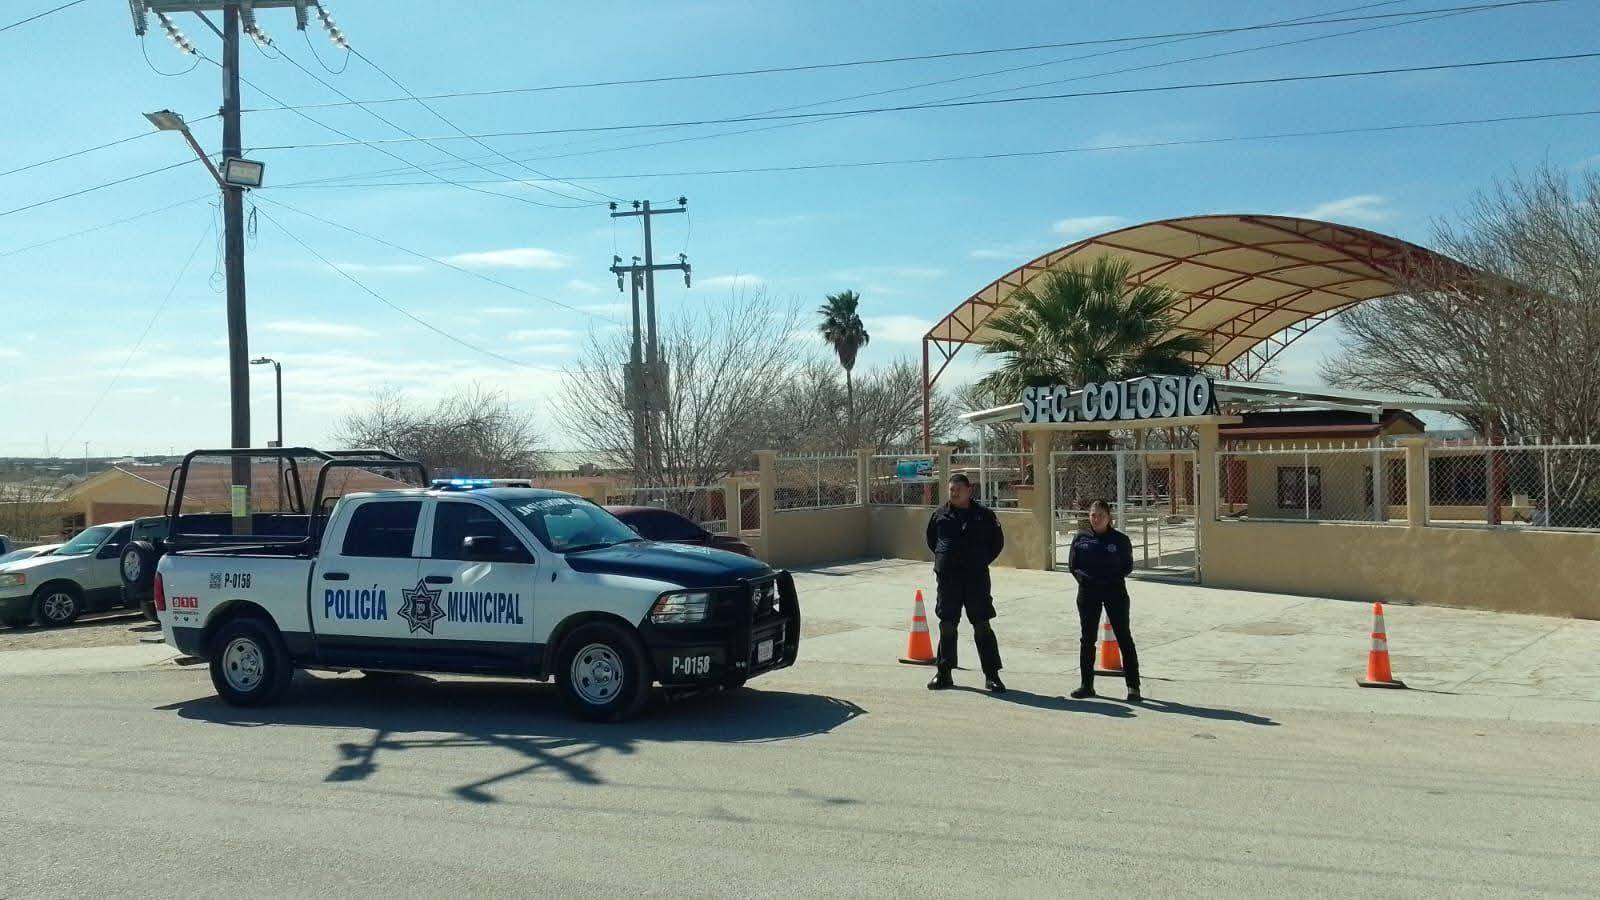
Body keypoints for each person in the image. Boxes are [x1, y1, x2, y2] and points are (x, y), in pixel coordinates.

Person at [924, 473, 1006, 693]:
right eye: (951, 490)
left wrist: (978, 562)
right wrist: (947, 560)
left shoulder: (985, 516)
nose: (954, 493)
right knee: (947, 624)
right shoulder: (940, 515)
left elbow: (996, 543)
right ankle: (944, 673)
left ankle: (992, 676)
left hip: (976, 580)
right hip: (948, 579)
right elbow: (933, 540)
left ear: (970, 490)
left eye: (959, 489)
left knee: (981, 625)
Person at [1066, 499, 1142, 702]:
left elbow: (1127, 566)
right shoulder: (1081, 538)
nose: (1096, 519)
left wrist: (1109, 579)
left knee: (1124, 637)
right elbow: (1073, 565)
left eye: (1101, 515)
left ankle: (1133, 687)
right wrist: (1086, 580)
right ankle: (1086, 685)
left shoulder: (1120, 540)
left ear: (1109, 518)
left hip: (1114, 591)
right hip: (1088, 592)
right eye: (1093, 515)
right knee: (1087, 638)